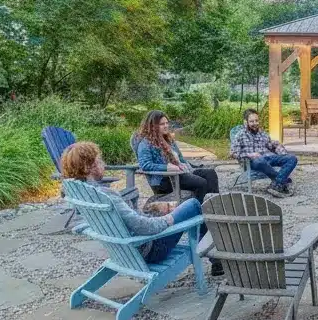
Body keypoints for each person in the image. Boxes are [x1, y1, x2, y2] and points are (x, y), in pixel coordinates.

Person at [60, 141, 222, 274]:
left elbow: (128, 220)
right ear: (89, 167)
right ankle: (216, 257)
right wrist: (168, 219)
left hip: (123, 251)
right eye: (99, 160)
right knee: (193, 205)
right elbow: (144, 227)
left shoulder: (81, 193)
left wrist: (154, 210)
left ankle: (215, 256)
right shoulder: (107, 196)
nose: (104, 164)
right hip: (150, 250)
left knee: (177, 207)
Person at [134, 110, 220, 204]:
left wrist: (190, 167)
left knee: (210, 173)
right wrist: (166, 167)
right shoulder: (145, 143)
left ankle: (214, 205)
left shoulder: (168, 139)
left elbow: (181, 158)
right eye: (162, 124)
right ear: (152, 126)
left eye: (167, 123)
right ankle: (197, 210)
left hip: (180, 172)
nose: (166, 126)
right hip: (166, 179)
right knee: (201, 183)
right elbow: (145, 165)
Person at [230, 108, 298, 197]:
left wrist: (282, 152)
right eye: (251, 121)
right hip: (253, 162)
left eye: (256, 120)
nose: (255, 123)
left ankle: (276, 184)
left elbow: (272, 145)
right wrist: (250, 155)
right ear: (245, 122)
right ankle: (282, 181)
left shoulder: (262, 133)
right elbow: (233, 153)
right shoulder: (240, 135)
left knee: (292, 158)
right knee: (259, 160)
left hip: (269, 158)